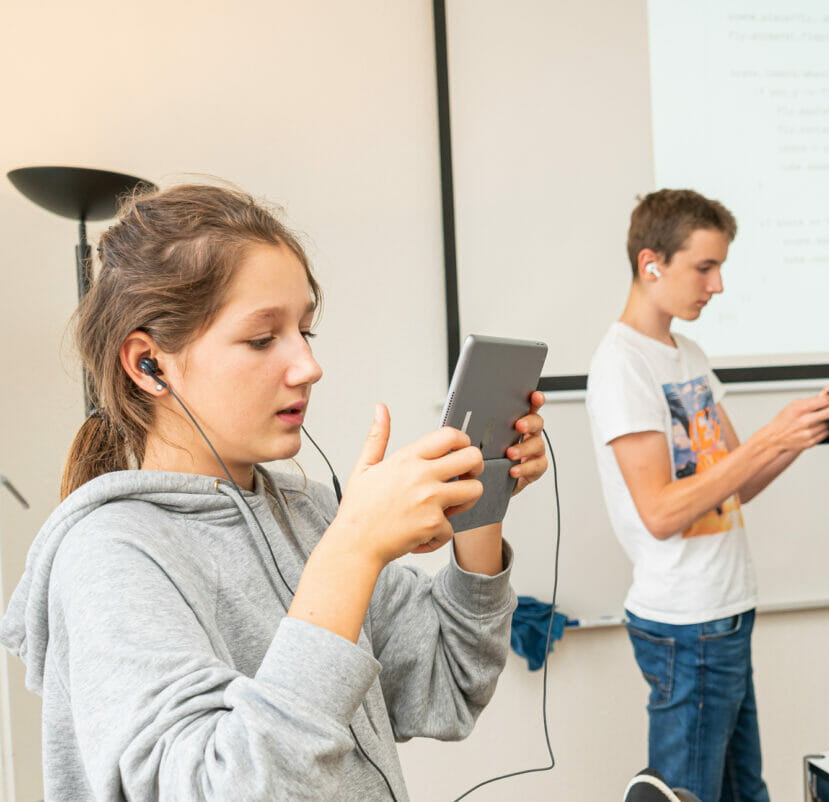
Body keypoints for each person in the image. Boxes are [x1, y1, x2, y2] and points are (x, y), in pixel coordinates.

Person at [0, 183, 548, 801]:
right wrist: (351, 552)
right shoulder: (111, 556)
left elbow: (447, 684)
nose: (308, 366)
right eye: (262, 339)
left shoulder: (309, 513)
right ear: (148, 363)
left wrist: (481, 492)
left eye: (305, 331)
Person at [585, 189, 829, 802]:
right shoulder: (623, 365)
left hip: (723, 613)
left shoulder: (687, 355)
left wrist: (815, 426)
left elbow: (738, 483)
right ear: (651, 263)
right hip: (687, 625)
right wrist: (769, 437)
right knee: (689, 796)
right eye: (704, 267)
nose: (718, 285)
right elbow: (661, 512)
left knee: (744, 792)